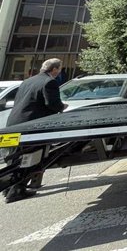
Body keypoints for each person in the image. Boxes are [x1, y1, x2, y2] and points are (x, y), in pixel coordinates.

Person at [3, 58, 68, 203]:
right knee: (30, 156)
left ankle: (8, 187)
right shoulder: (49, 82)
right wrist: (63, 107)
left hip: (14, 123)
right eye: (60, 69)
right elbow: (52, 104)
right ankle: (16, 190)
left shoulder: (28, 81)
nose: (59, 72)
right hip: (32, 126)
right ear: (55, 69)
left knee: (15, 156)